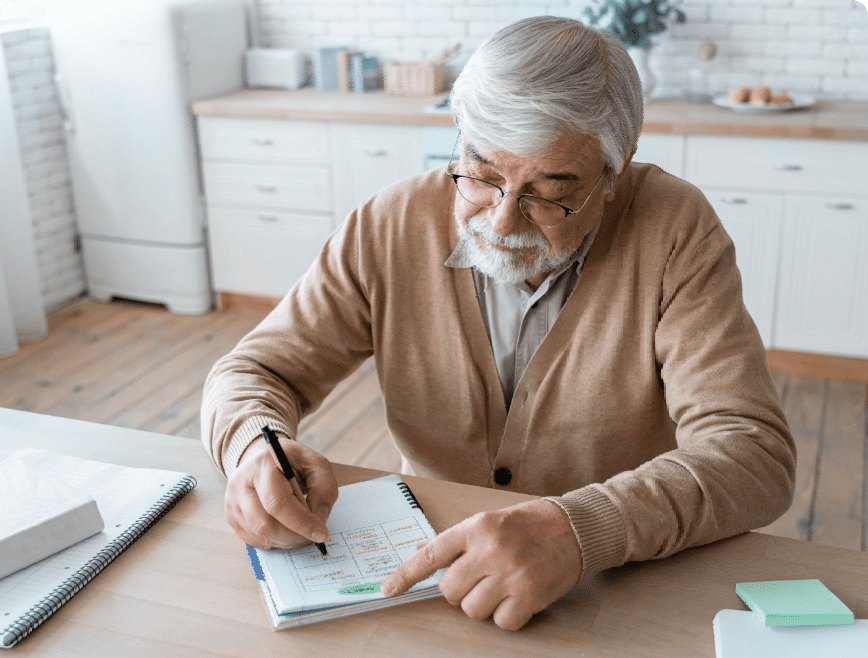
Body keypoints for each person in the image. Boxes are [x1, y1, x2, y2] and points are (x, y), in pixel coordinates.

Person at [201, 16, 796, 631]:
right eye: (482, 176)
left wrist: (581, 529)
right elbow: (254, 370)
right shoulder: (388, 224)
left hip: (611, 583)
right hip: (431, 582)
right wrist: (253, 447)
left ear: (616, 170)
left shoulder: (675, 230)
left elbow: (752, 454)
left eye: (549, 192)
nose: (505, 222)